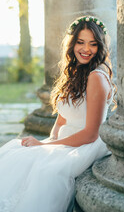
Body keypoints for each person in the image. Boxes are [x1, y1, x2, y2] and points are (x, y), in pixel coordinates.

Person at [0, 15, 115, 212]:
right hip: (65, 141)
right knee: (15, 152)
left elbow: (91, 134)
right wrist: (47, 142)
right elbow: (62, 119)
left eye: (93, 44)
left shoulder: (96, 77)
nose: (86, 49)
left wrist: (47, 146)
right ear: (72, 44)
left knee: (43, 170)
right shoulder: (76, 72)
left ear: (100, 47)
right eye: (80, 42)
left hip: (85, 144)